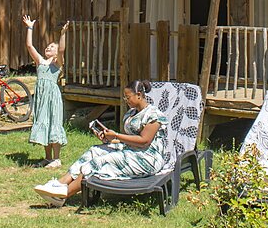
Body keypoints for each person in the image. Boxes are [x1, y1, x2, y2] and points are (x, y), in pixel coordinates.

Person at [33, 79, 167, 207]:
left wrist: (116, 135)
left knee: (100, 161)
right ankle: (60, 183)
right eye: (124, 98)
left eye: (128, 97)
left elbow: (144, 141)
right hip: (131, 150)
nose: (126, 100)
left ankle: (63, 194)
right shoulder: (131, 113)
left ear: (138, 95)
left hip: (148, 158)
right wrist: (109, 139)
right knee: (94, 151)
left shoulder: (153, 115)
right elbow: (127, 138)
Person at [23, 15, 68, 167]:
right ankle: (48, 158)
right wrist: (30, 28)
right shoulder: (40, 62)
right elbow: (29, 46)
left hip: (52, 97)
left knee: (54, 122)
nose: (48, 47)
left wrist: (62, 34)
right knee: (44, 123)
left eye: (52, 47)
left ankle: (57, 159)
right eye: (48, 46)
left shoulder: (58, 64)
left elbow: (61, 49)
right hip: (41, 98)